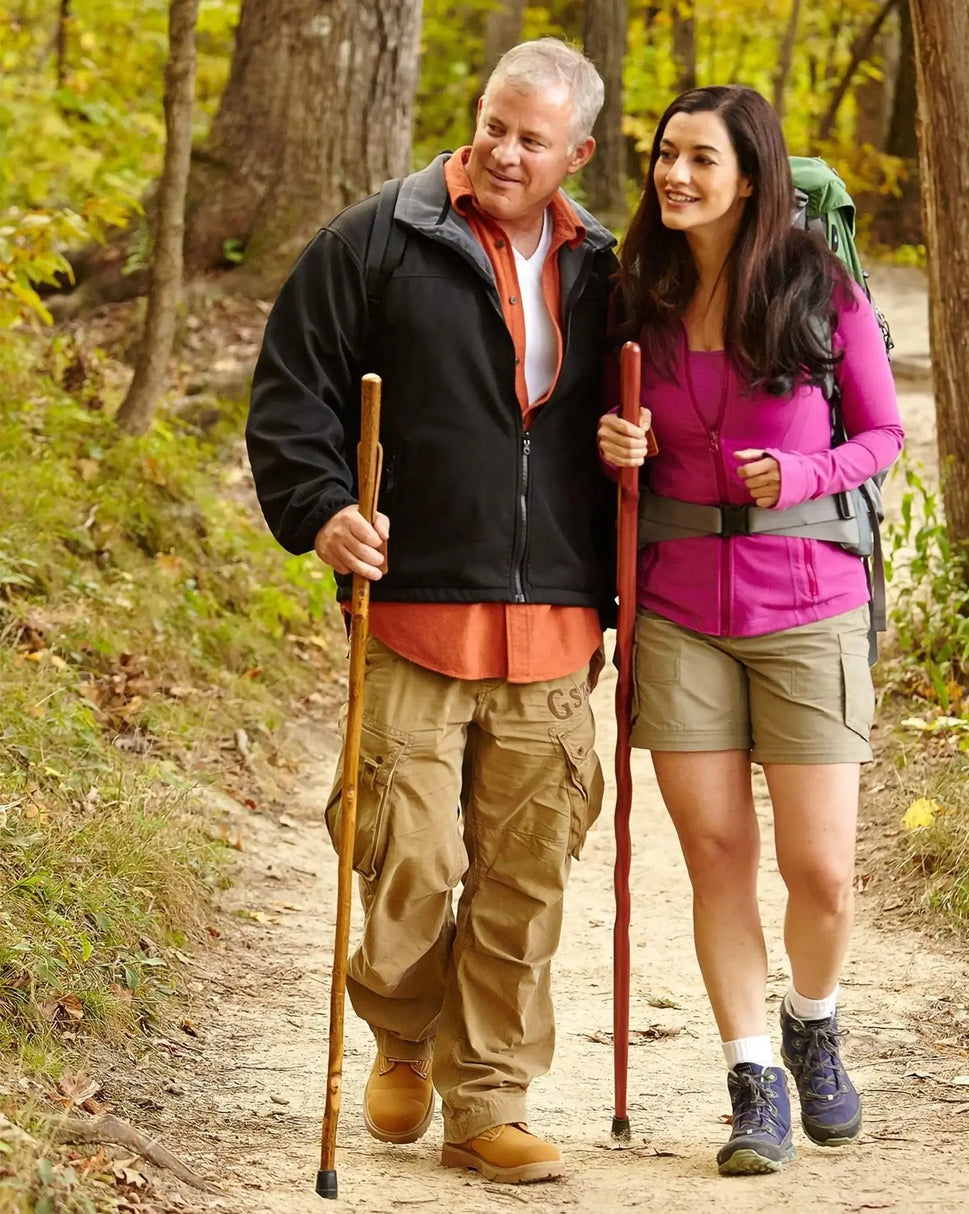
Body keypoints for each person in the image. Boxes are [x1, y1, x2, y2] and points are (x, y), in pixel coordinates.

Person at [246, 38, 619, 1186]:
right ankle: (402, 1034)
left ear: (577, 153)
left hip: (554, 618)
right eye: (493, 125)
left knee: (524, 875)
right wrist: (321, 514)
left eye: (532, 138)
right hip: (410, 612)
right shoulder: (374, 240)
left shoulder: (608, 267)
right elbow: (292, 394)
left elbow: (661, 406)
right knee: (405, 860)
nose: (504, 151)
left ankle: (487, 1097)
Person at [598, 85, 903, 1176]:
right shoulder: (637, 294)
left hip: (807, 602)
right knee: (716, 854)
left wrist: (808, 472)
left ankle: (811, 1023)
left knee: (821, 871)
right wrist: (615, 448)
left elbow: (881, 432)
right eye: (663, 156)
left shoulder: (816, 289)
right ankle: (749, 1080)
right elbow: (606, 439)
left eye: (697, 160)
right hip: (679, 605)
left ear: (749, 174)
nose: (672, 176)